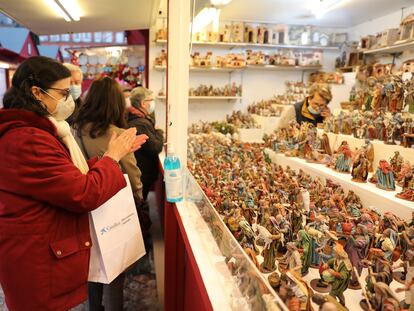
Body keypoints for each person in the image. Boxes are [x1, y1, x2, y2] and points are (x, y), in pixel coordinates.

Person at [0, 56, 148, 311]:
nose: (70, 98)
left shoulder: (41, 131)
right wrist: (111, 158)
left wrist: (115, 156)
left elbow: (65, 177)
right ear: (37, 92)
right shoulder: (28, 139)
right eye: (64, 92)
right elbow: (82, 192)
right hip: (35, 257)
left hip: (38, 248)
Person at [73, 77, 148, 311]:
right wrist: (140, 198)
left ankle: (93, 308)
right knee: (115, 271)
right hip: (115, 206)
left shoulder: (77, 130)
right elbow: (133, 174)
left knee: (92, 267)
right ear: (116, 103)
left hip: (86, 206)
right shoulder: (119, 134)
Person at [127, 86, 164, 201]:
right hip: (142, 173)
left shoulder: (137, 118)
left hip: (141, 171)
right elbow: (155, 147)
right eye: (151, 100)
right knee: (141, 203)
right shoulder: (141, 123)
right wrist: (159, 132)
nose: (152, 103)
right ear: (143, 103)